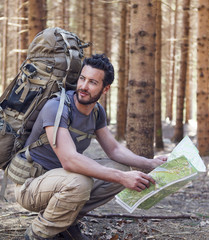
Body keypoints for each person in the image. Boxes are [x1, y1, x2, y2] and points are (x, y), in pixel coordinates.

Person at [15, 54, 167, 240]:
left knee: (119, 168)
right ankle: (37, 233)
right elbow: (69, 160)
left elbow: (114, 150)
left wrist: (149, 163)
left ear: (105, 89)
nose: (84, 86)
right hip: (31, 184)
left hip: (60, 182)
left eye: (93, 82)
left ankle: (66, 224)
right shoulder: (57, 107)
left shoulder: (96, 112)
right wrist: (122, 178)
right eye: (82, 78)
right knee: (82, 182)